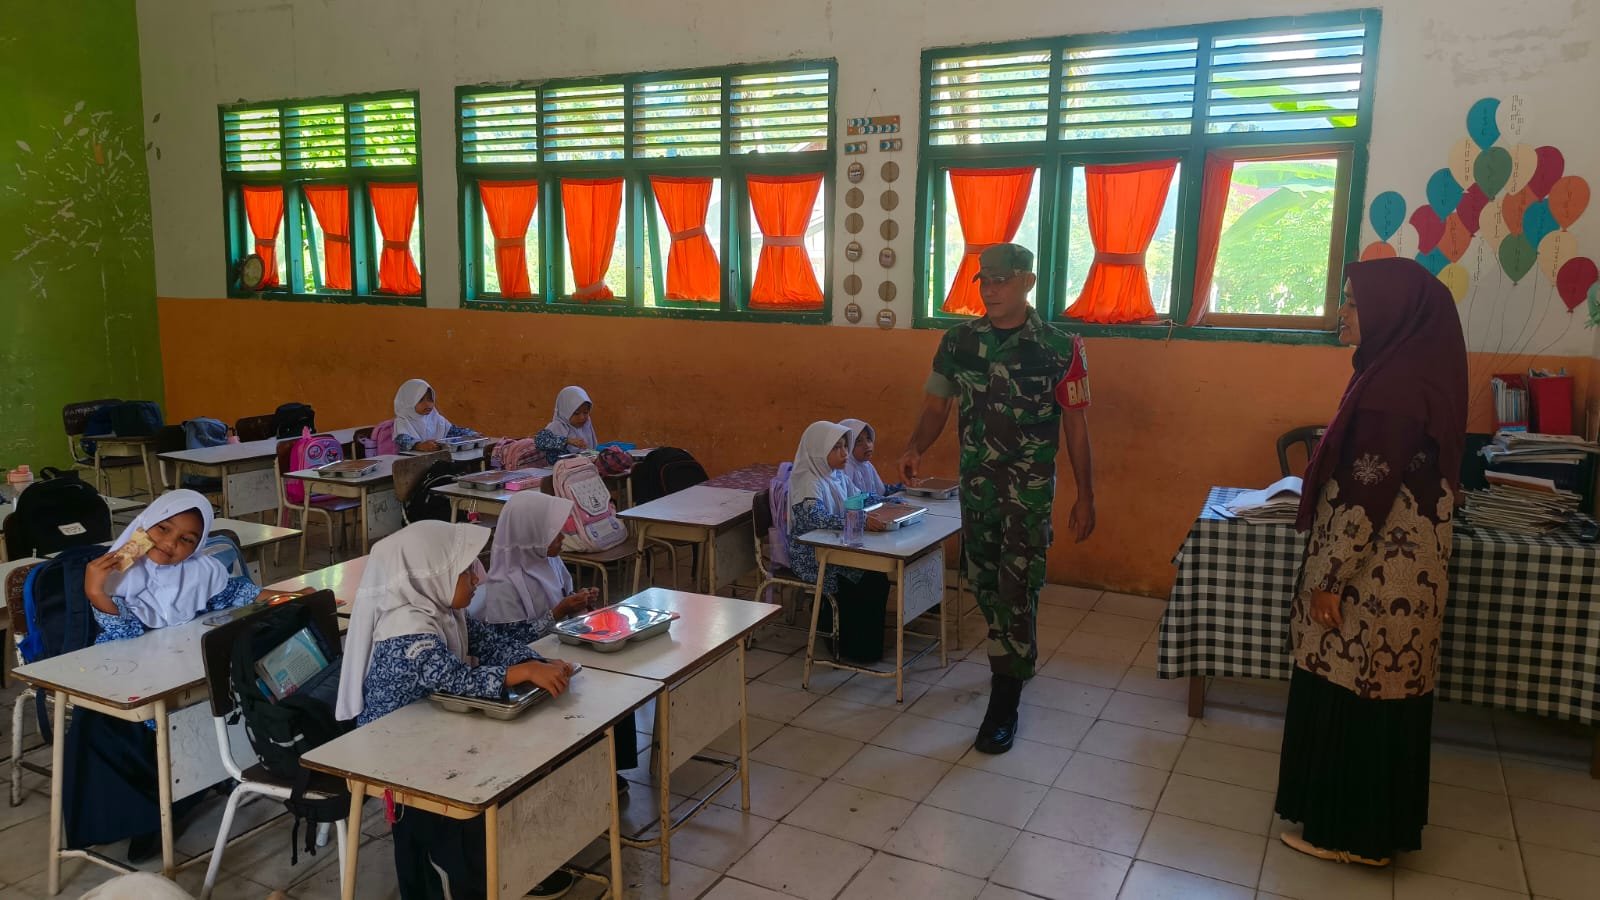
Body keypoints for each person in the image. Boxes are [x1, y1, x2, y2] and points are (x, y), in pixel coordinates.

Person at [1275, 258, 1468, 866]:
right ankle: (1374, 831)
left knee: (1355, 694)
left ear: (1392, 313)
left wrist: (1328, 580)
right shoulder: (1412, 374)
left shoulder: (1392, 391)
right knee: (1382, 696)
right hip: (1405, 574)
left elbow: (1365, 494)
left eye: (1355, 303)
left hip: (1376, 577)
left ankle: (1352, 837)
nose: (1343, 313)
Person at [900, 243, 1095, 755]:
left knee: (1017, 586)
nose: (990, 289)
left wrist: (1086, 495)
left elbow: (1076, 426)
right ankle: (1015, 655)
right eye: (984, 280)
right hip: (978, 488)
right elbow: (936, 405)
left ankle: (1004, 699)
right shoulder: (958, 341)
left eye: (1001, 280)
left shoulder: (1060, 348)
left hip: (1028, 493)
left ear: (1027, 282)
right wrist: (915, 446)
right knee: (982, 581)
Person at [336, 520, 580, 899]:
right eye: (466, 571)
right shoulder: (405, 626)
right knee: (459, 811)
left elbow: (491, 643)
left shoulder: (444, 609)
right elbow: (453, 678)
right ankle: (473, 877)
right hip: (395, 752)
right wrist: (526, 671)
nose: (477, 578)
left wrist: (538, 662)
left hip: (432, 728)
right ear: (432, 574)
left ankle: (507, 863)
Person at [66, 490, 288, 861]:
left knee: (201, 708)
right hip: (131, 678)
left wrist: (282, 597)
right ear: (143, 526)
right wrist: (95, 591)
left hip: (181, 671)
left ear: (197, 546)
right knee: (107, 726)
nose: (170, 544)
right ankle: (138, 818)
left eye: (187, 539)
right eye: (163, 529)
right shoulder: (117, 575)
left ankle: (176, 804)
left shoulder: (201, 571)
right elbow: (123, 638)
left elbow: (237, 593)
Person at [786, 421, 890, 663]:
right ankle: (845, 641)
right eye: (836, 448)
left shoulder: (837, 475)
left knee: (876, 577)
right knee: (866, 579)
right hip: (810, 554)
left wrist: (893, 503)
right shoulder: (808, 480)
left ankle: (865, 645)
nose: (845, 453)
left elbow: (861, 498)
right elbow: (815, 517)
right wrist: (861, 521)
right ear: (818, 451)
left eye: (845, 446)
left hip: (835, 547)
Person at [392, 378, 479, 452]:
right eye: (420, 400)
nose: (428, 404)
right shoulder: (403, 421)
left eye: (430, 399)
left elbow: (452, 431)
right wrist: (419, 446)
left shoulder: (435, 418)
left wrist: (471, 434)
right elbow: (403, 441)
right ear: (408, 402)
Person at [838, 418, 902, 496]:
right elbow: (852, 499)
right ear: (847, 446)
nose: (867, 445)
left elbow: (881, 491)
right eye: (859, 441)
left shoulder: (867, 465)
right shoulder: (845, 469)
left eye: (868, 439)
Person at [535, 386, 599, 464]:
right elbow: (539, 440)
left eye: (586, 412)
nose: (582, 417)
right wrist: (567, 441)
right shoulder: (557, 426)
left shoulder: (586, 425)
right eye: (576, 413)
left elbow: (591, 450)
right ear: (565, 412)